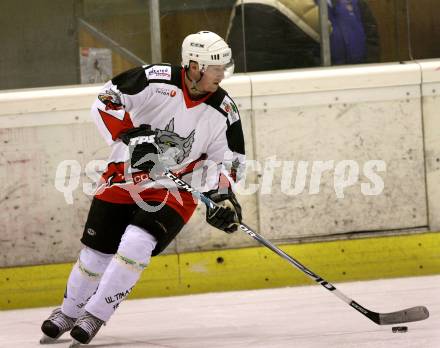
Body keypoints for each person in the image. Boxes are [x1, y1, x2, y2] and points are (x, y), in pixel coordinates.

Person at [40, 30, 246, 346]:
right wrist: (133, 136)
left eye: (223, 67)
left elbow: (229, 161)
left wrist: (223, 196)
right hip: (125, 176)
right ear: (193, 66)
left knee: (137, 242)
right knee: (96, 254)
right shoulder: (156, 79)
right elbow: (106, 100)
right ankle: (68, 312)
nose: (221, 74)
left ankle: (95, 315)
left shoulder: (224, 110)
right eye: (214, 67)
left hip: (176, 188)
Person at [226, 0, 379, 72]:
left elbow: (371, 42)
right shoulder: (271, 6)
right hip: (312, 95)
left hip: (357, 87)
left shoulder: (355, 4)